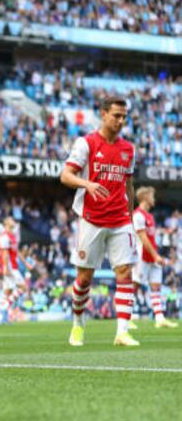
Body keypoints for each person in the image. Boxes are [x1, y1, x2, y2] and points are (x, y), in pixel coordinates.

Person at [60, 95, 139, 347]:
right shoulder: (86, 143)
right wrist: (87, 183)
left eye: (124, 116)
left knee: (125, 272)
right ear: (103, 114)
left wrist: (130, 215)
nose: (121, 121)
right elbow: (65, 175)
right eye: (116, 115)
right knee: (84, 278)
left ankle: (122, 332)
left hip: (120, 220)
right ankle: (78, 323)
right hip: (92, 219)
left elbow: (129, 184)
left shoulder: (129, 149)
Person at [131, 187, 178, 329]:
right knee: (134, 286)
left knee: (156, 286)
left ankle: (159, 318)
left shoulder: (150, 216)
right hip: (142, 257)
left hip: (153, 256)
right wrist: (156, 255)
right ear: (145, 198)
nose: (154, 199)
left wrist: (158, 255)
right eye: (152, 196)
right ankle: (126, 318)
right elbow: (143, 238)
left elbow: (151, 238)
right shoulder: (137, 215)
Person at [0, 217, 34, 324]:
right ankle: (4, 310)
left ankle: (2, 317)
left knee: (7, 292)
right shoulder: (4, 236)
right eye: (11, 220)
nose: (13, 221)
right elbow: (4, 254)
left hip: (13, 266)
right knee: (23, 287)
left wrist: (26, 263)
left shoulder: (12, 236)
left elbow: (16, 252)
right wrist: (6, 268)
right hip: (9, 267)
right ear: (6, 223)